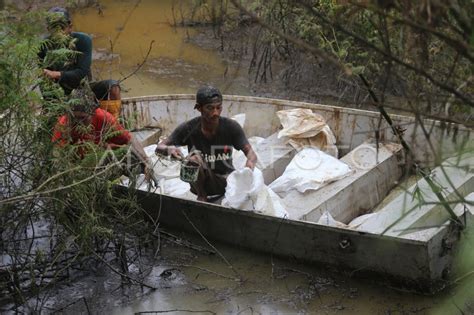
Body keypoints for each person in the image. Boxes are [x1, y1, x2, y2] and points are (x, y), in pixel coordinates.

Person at [155, 85, 257, 202]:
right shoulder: (189, 128)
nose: (215, 113)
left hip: (226, 180)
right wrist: (170, 150)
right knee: (193, 159)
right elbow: (160, 146)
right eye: (210, 108)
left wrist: (249, 165)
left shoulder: (231, 127)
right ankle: (202, 197)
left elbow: (250, 153)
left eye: (218, 108)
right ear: (199, 108)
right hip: (198, 184)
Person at [38, 7, 122, 118]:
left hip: (85, 90)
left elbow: (82, 72)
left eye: (62, 27)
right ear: (49, 29)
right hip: (60, 95)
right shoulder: (43, 46)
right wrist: (50, 106)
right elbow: (43, 82)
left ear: (70, 27)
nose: (59, 32)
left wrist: (55, 74)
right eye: (55, 28)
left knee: (113, 87)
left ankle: (112, 125)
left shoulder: (83, 40)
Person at [52, 88, 152, 179]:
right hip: (77, 166)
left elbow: (129, 139)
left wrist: (145, 160)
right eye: (74, 118)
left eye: (82, 118)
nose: (78, 123)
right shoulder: (64, 125)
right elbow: (58, 156)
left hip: (100, 159)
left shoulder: (103, 118)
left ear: (92, 112)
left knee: (132, 158)